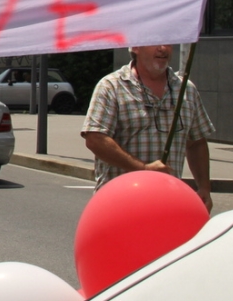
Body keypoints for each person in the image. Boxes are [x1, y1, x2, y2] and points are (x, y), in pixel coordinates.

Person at [82, 45, 214, 211]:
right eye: (156, 42)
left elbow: (196, 142)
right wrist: (143, 169)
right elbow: (95, 139)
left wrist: (204, 188)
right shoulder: (111, 87)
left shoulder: (186, 90)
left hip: (167, 204)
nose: (163, 48)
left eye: (168, 42)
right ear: (136, 47)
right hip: (119, 205)